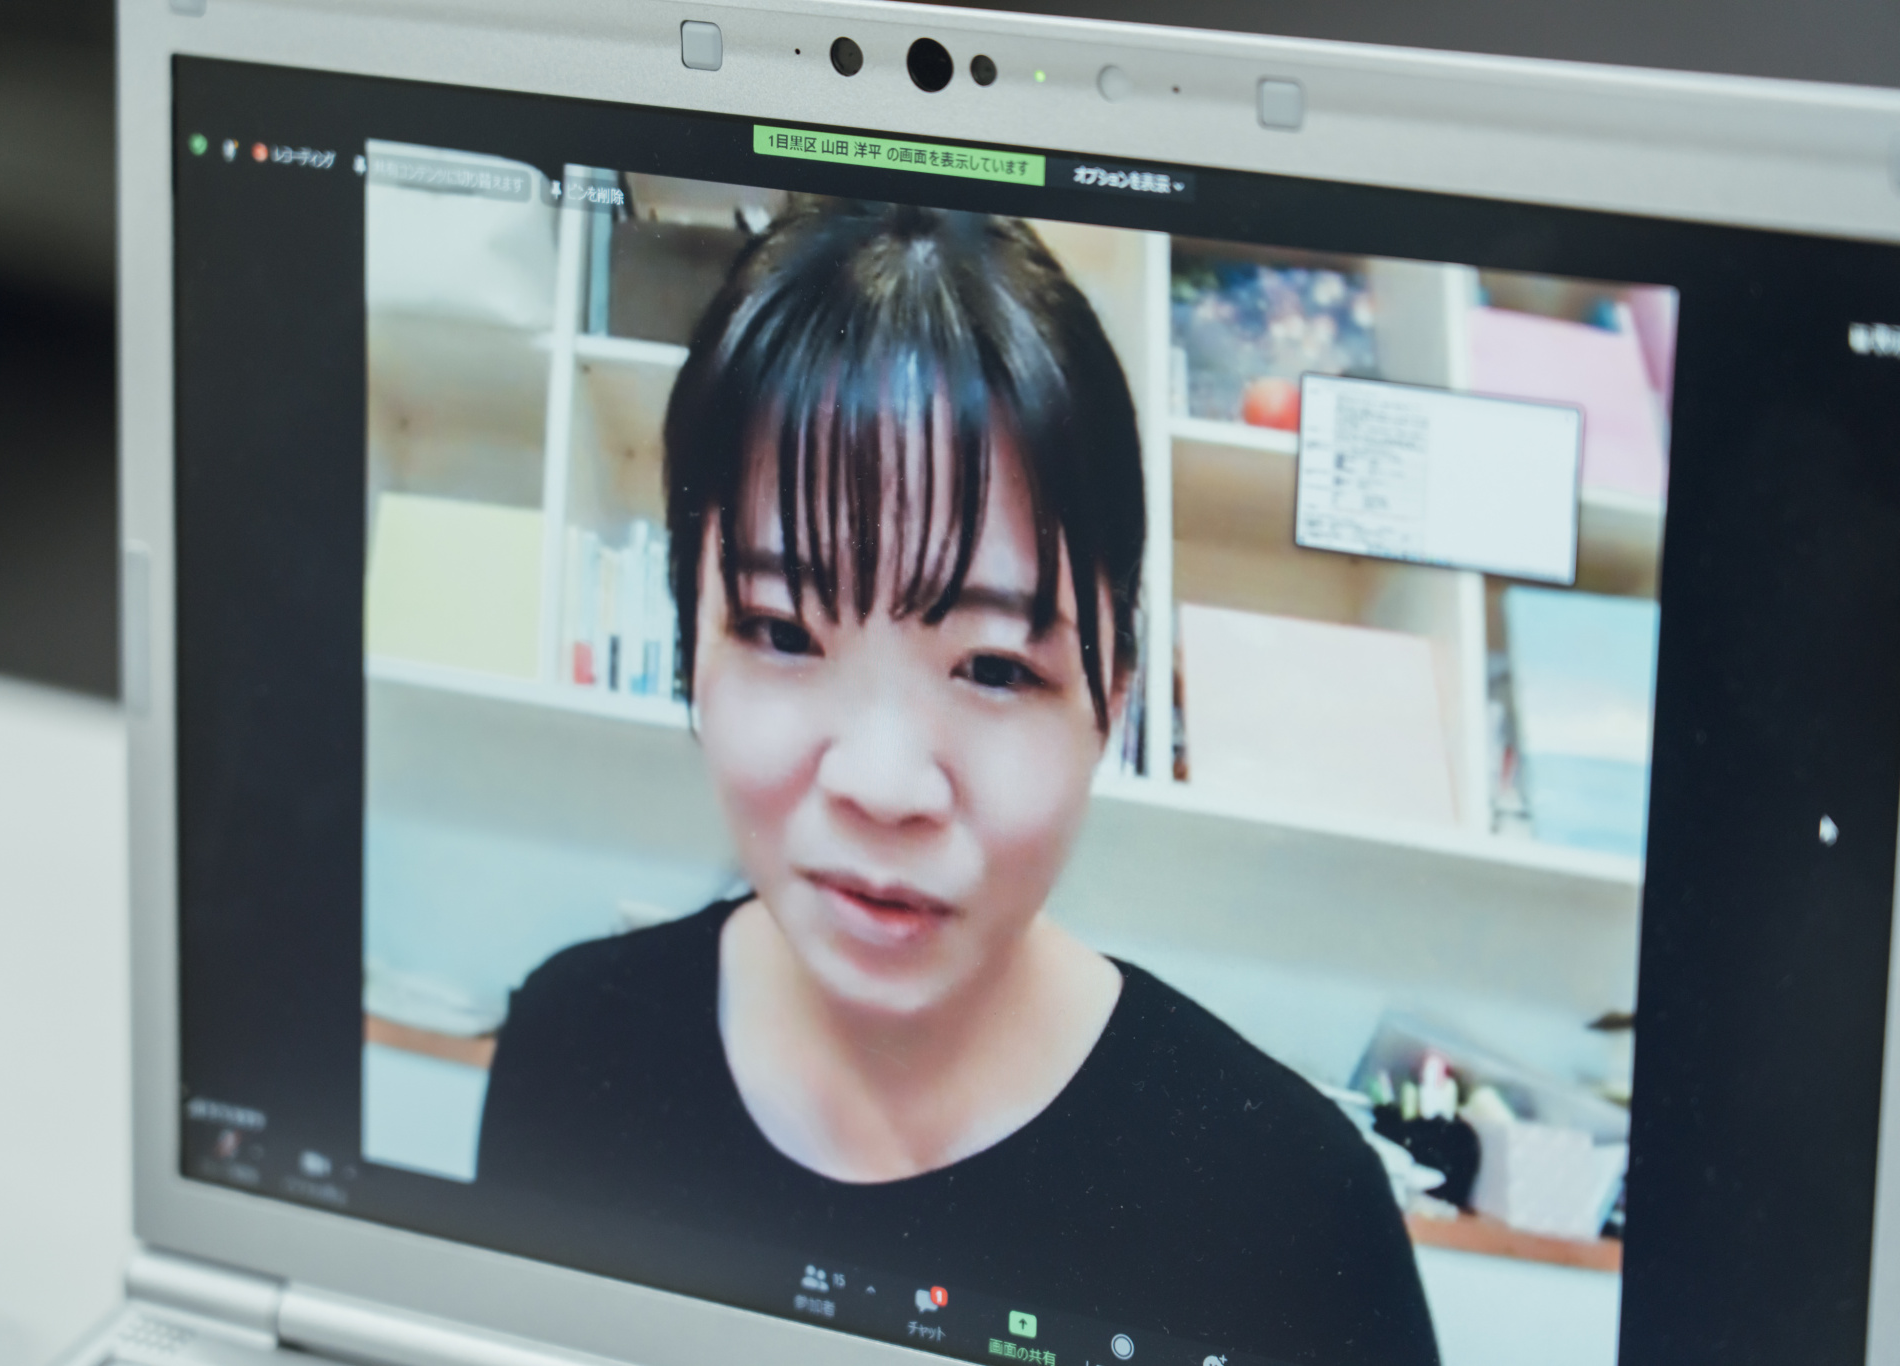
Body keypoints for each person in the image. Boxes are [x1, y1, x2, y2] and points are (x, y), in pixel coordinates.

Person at [477, 201, 1438, 1366]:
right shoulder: (570, 1051)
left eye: (991, 666)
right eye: (782, 631)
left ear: (1113, 696)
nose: (883, 785)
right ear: (690, 640)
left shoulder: (1294, 1212)